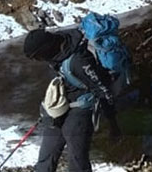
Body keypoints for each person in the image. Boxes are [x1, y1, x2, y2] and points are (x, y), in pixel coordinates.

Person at [23, 28, 118, 172]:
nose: (38, 61)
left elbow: (102, 89)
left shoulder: (78, 61)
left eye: (37, 57)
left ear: (45, 49)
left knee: (77, 159)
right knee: (46, 155)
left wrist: (112, 122)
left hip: (81, 108)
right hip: (62, 106)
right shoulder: (56, 53)